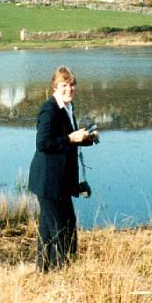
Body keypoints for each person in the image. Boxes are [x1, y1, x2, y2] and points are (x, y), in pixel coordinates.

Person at [28, 65, 98, 271]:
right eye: (64, 85)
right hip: (48, 181)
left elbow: (68, 141)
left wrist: (88, 138)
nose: (70, 89)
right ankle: (61, 274)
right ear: (55, 87)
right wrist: (70, 137)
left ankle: (44, 271)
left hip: (61, 181)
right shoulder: (49, 109)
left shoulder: (68, 107)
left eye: (72, 84)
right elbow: (43, 144)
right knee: (62, 230)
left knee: (52, 229)